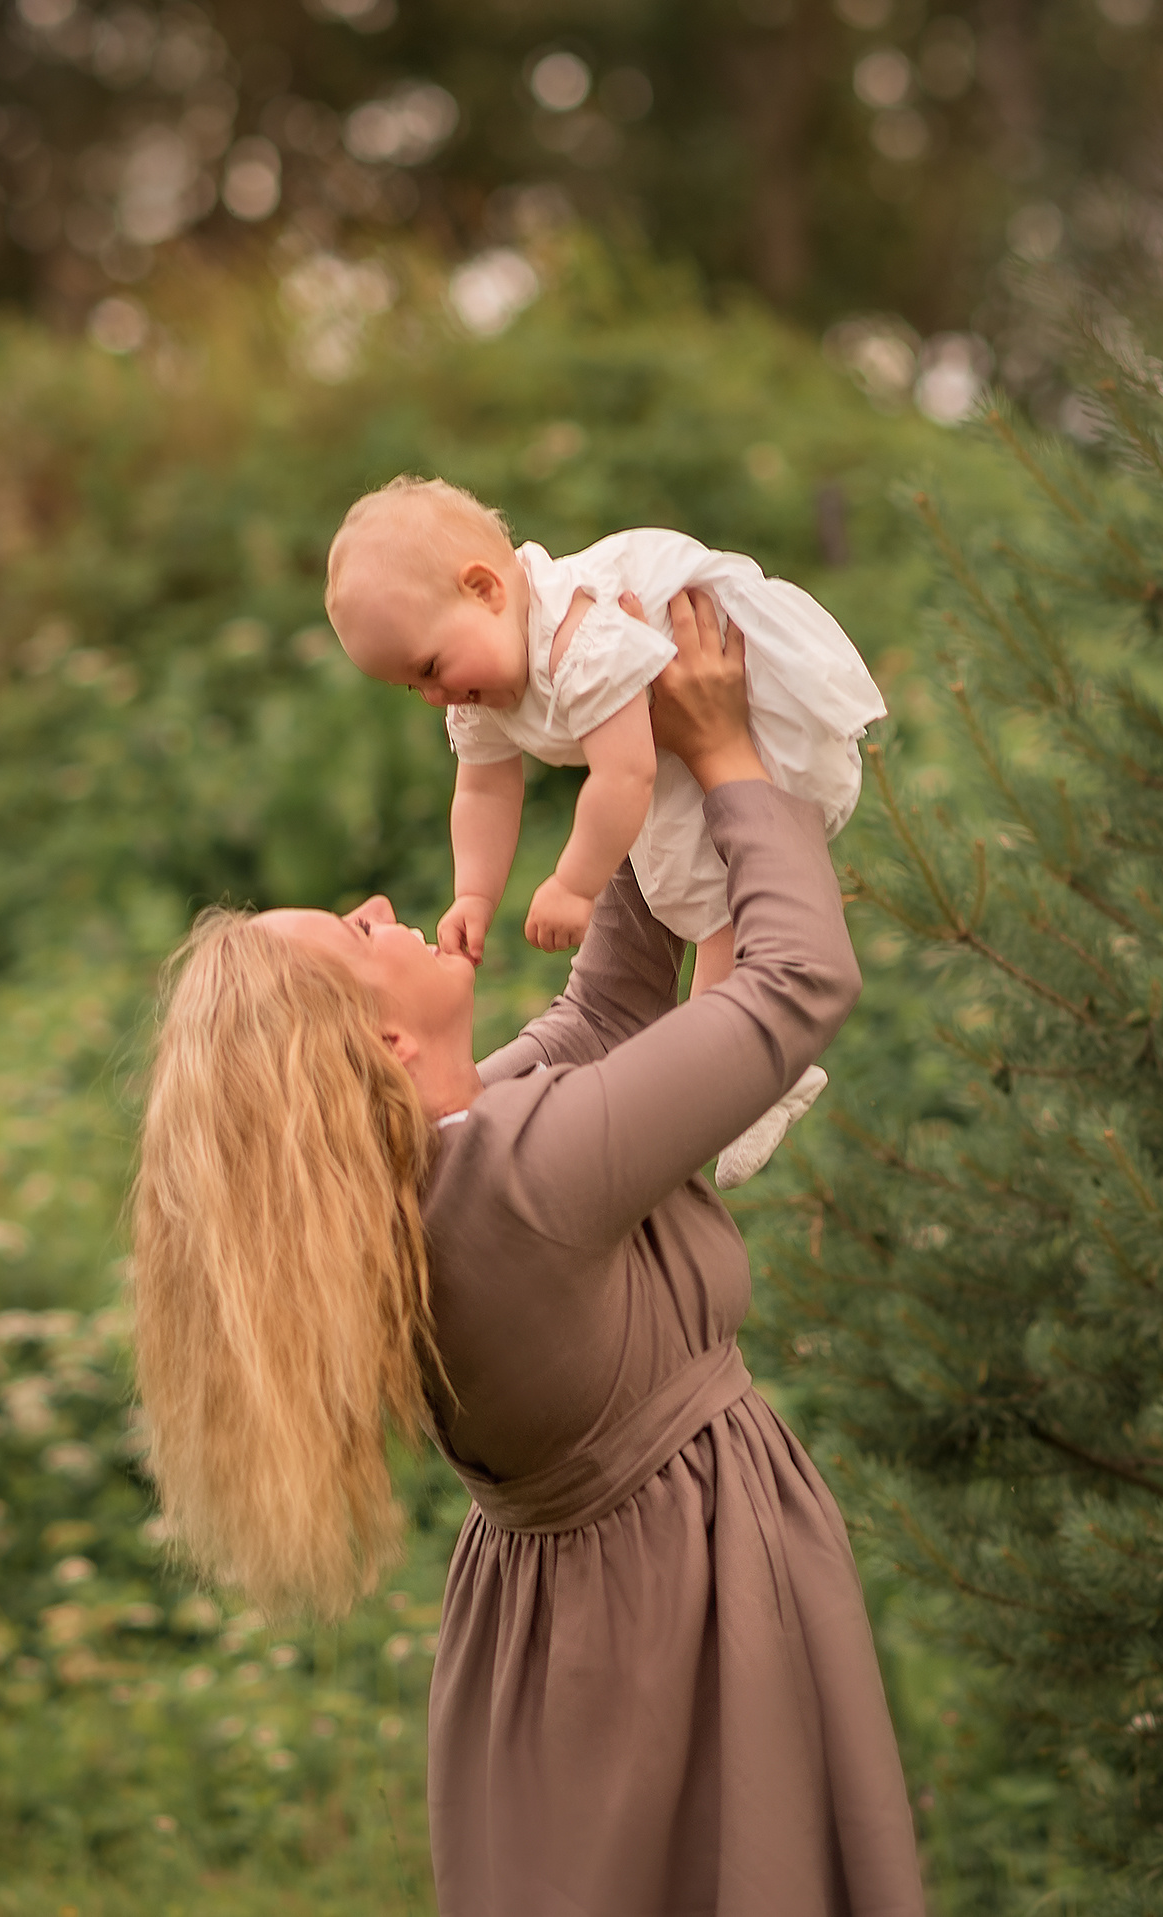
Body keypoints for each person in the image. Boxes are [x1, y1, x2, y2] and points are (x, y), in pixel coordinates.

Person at [132, 588, 924, 1917]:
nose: (387, 902)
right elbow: (796, 986)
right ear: (381, 1049)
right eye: (359, 933)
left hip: (563, 1620)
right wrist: (728, 756)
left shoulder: (439, 1164)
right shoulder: (522, 1179)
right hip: (682, 1597)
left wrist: (631, 754)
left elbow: (610, 1004)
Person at [325, 475, 886, 1187]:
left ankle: (748, 1075)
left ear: (486, 589)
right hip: (668, 737)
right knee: (688, 879)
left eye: (431, 667)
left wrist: (573, 884)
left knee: (708, 892)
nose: (436, 695)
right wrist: (474, 893)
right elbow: (483, 787)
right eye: (414, 685)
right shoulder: (481, 683)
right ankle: (747, 1071)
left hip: (735, 684)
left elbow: (625, 778)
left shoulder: (578, 643)